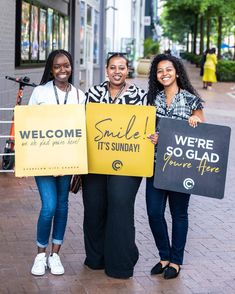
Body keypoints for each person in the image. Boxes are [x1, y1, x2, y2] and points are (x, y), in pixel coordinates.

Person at [82, 52, 147, 279]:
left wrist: (152, 136)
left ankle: (120, 263)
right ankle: (96, 258)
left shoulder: (140, 96)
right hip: (96, 162)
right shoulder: (92, 93)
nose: (117, 72)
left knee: (120, 206)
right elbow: (82, 125)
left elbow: (149, 126)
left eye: (121, 67)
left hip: (128, 163)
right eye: (113, 67)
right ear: (106, 69)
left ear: (127, 70)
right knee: (94, 207)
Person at [146, 54, 205, 279]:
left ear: (177, 72)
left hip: (182, 167)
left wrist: (195, 121)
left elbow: (201, 129)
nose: (164, 74)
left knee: (179, 214)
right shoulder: (153, 99)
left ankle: (176, 261)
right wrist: (152, 136)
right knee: (153, 212)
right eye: (160, 71)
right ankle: (164, 255)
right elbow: (147, 128)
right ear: (156, 76)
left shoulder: (191, 100)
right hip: (156, 164)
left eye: (168, 69)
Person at [29, 49, 86, 276]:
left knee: (62, 206)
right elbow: (29, 126)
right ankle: (40, 255)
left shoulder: (79, 96)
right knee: (49, 207)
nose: (63, 70)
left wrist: (79, 167)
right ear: (51, 69)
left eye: (67, 66)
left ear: (71, 67)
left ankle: (55, 255)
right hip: (43, 162)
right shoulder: (40, 93)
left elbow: (82, 131)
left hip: (68, 162)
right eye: (58, 66)